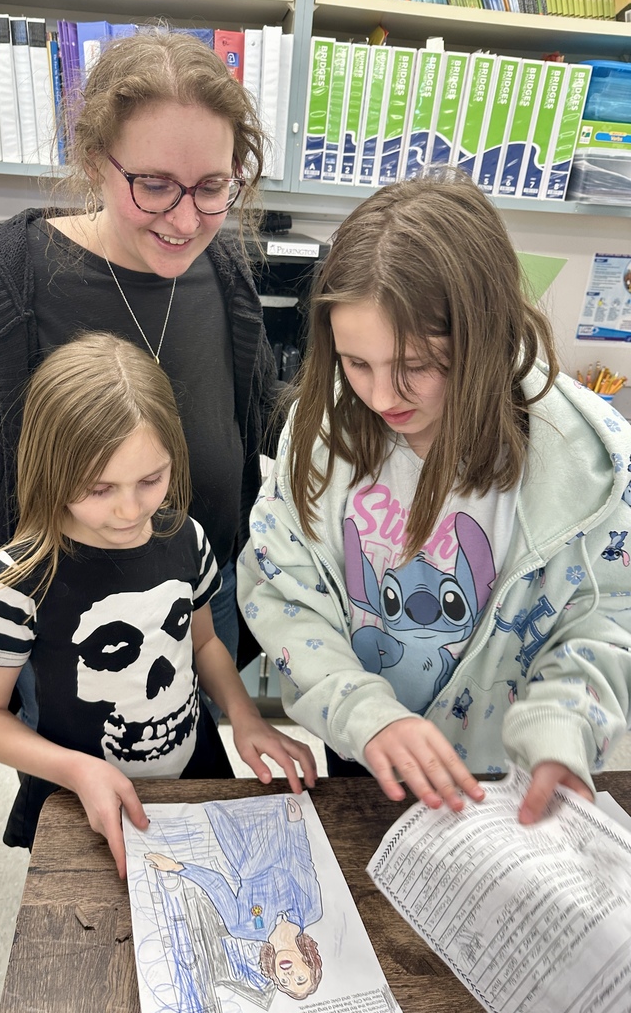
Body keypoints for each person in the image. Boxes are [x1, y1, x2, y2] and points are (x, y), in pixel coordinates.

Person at [237, 168, 631, 826]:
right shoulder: (321, 435)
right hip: (367, 750)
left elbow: (606, 617)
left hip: (507, 770)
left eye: (415, 367)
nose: (384, 396)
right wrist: (366, 715)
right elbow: (282, 594)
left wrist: (565, 727)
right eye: (356, 364)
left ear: (484, 339)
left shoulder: (590, 462)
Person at [0, 29, 277, 706]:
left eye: (212, 187)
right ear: (94, 160)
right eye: (155, 184)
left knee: (184, 772)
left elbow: (250, 423)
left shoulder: (225, 275)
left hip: (198, 602)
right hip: (57, 620)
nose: (186, 218)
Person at [0, 334, 316, 876]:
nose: (130, 509)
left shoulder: (186, 538)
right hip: (75, 799)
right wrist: (77, 772)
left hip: (195, 777)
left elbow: (204, 643)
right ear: (50, 471)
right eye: (99, 489)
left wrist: (245, 717)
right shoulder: (17, 580)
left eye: (151, 479)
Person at [145, 795, 322, 999]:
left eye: (284, 982)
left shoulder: (241, 927)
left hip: (239, 838)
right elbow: (303, 863)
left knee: (215, 793)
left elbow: (216, 884)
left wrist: (177, 868)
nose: (289, 975)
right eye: (300, 978)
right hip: (279, 825)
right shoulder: (312, 909)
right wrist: (296, 824)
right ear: (308, 961)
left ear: (274, 972)